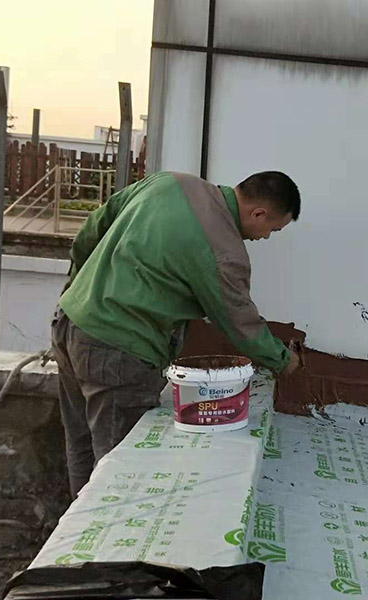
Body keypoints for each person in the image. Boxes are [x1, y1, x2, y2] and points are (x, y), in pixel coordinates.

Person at [51, 170, 301, 496]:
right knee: (120, 470)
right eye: (272, 229)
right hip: (118, 351)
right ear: (258, 213)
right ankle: (110, 527)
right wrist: (284, 360)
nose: (266, 237)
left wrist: (78, 289)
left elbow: (93, 227)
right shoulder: (224, 251)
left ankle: (77, 525)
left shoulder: (169, 183)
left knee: (81, 443)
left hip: (70, 323)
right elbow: (240, 323)